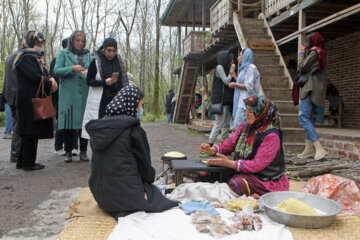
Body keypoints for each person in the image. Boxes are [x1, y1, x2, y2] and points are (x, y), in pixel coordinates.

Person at [86, 85, 178, 219]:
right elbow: (146, 171)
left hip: (102, 197)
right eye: (139, 106)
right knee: (161, 198)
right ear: (130, 105)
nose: (140, 110)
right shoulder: (134, 131)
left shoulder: (98, 129)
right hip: (127, 198)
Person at [200, 96, 289, 196]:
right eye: (246, 110)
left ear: (260, 114)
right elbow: (229, 145)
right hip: (246, 173)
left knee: (237, 184)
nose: (246, 114)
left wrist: (229, 163)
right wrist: (211, 150)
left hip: (264, 179)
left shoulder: (271, 136)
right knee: (208, 172)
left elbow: (256, 165)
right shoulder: (245, 127)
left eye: (250, 112)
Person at [13, 30, 58, 170]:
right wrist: (50, 83)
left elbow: (41, 74)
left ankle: (23, 161)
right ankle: (28, 163)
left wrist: (49, 79)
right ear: (31, 42)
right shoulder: (26, 57)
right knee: (29, 131)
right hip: (28, 99)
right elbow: (34, 76)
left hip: (32, 97)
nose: (40, 45)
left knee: (30, 131)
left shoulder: (34, 57)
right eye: (38, 42)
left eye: (41, 42)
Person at [54, 30, 91, 163]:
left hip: (84, 93)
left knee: (83, 123)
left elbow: (92, 69)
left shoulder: (88, 54)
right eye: (77, 40)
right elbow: (56, 71)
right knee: (69, 123)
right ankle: (68, 152)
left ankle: (83, 151)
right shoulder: (63, 53)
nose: (80, 43)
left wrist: (89, 72)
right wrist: (72, 69)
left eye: (82, 41)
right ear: (71, 40)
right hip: (68, 94)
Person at [82, 38, 129, 139]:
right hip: (100, 100)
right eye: (109, 50)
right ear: (104, 49)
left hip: (116, 99)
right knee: (100, 128)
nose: (111, 53)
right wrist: (104, 82)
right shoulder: (96, 61)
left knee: (114, 129)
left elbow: (123, 80)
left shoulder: (119, 61)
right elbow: (89, 81)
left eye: (114, 50)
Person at [296, 32, 328, 161]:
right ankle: (309, 149)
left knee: (303, 117)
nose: (305, 45)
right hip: (315, 89)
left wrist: (301, 54)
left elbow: (301, 67)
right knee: (308, 118)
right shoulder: (321, 52)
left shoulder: (315, 52)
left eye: (307, 42)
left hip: (309, 89)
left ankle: (318, 147)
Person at [50, 38, 79, 156]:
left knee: (75, 120)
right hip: (61, 96)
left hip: (75, 95)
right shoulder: (57, 60)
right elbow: (54, 77)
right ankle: (58, 146)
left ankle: (74, 146)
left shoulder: (77, 60)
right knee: (62, 122)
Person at [208, 50, 235, 145]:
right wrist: (232, 70)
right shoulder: (219, 67)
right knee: (219, 122)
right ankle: (210, 142)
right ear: (226, 59)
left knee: (226, 123)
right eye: (231, 60)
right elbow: (226, 81)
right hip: (220, 100)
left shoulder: (227, 69)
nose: (232, 62)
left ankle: (224, 142)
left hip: (227, 100)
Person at [229, 49, 260, 130]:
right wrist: (235, 77)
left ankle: (243, 142)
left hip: (246, 104)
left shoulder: (250, 69)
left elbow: (249, 87)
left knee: (238, 126)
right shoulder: (245, 69)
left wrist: (235, 84)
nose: (238, 58)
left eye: (240, 55)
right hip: (243, 102)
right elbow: (245, 83)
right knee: (242, 126)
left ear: (245, 56)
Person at [2, 49, 21, 162]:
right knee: (18, 125)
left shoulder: (11, 56)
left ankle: (15, 154)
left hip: (10, 94)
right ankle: (16, 154)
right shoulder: (21, 56)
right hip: (17, 94)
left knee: (16, 123)